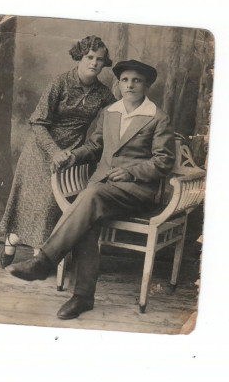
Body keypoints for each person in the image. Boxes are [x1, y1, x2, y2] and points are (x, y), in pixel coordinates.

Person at [9, 60, 176, 320]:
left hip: (137, 191)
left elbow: (164, 161)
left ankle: (44, 261)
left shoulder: (157, 117)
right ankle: (83, 297)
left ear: (147, 85)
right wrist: (73, 156)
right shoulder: (110, 112)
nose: (130, 85)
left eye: (136, 80)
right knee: (88, 216)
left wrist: (131, 172)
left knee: (90, 196)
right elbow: (95, 146)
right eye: (125, 80)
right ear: (118, 84)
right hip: (102, 190)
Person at [0, 36, 116, 267]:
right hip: (41, 150)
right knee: (39, 205)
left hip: (72, 155)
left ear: (104, 63)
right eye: (89, 57)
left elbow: (117, 115)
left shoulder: (102, 94)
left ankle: (20, 243)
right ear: (79, 57)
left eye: (100, 59)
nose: (94, 63)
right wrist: (54, 151)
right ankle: (27, 251)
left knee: (52, 208)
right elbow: (38, 122)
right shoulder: (59, 83)